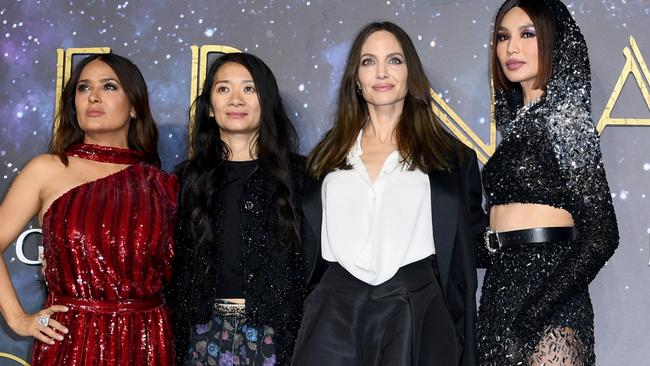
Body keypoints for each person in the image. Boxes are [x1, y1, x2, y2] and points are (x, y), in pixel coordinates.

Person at [291, 21, 485, 366]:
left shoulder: (450, 160)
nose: (381, 72)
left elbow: (467, 249)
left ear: (411, 73)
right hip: (333, 309)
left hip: (415, 305)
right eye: (368, 62)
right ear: (355, 78)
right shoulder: (325, 159)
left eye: (394, 60)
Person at [0, 53, 177, 365]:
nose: (93, 96)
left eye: (109, 86)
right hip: (71, 342)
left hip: (145, 340)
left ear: (134, 105)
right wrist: (19, 319)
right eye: (83, 88)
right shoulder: (48, 169)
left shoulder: (160, 185)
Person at [478, 0, 619, 365]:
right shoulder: (515, 126)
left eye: (528, 34)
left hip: (550, 294)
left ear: (554, 41)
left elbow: (603, 233)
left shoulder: (566, 119)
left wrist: (536, 312)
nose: (512, 48)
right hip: (499, 292)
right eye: (503, 37)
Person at [167, 52, 311, 366]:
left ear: (267, 102)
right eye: (223, 89)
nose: (236, 99)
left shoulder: (303, 178)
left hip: (278, 337)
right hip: (200, 337)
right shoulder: (183, 181)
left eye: (249, 89)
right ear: (208, 107)